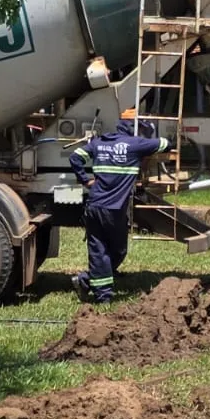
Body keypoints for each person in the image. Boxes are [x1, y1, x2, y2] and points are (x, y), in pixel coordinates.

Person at [69, 108, 171, 303]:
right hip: (114, 210)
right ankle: (99, 292)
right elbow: (166, 144)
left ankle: (90, 284)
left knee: (100, 251)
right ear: (135, 128)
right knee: (116, 251)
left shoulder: (99, 143)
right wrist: (153, 134)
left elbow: (75, 156)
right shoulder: (136, 144)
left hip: (94, 206)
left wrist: (85, 180)